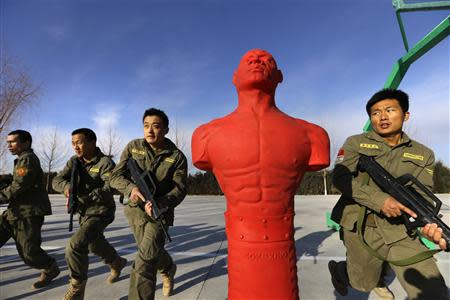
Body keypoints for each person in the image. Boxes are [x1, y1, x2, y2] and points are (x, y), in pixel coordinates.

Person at [191, 49, 330, 299]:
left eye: (266, 60)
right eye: (249, 60)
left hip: (282, 244)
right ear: (234, 77)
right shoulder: (205, 134)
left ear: (279, 76)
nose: (256, 61)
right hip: (240, 246)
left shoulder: (312, 135)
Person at [329, 88, 448, 299]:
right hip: (361, 228)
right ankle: (341, 270)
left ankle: (382, 267)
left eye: (390, 110)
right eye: (375, 113)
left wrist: (427, 228)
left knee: (434, 293)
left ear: (406, 115)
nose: (382, 116)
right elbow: (340, 178)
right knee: (362, 283)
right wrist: (379, 200)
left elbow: (423, 193)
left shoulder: (424, 154)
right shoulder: (355, 143)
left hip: (402, 231)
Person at [110, 108, 187, 300]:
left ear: (166, 130)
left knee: (144, 261)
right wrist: (130, 189)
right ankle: (168, 268)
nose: (150, 131)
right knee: (151, 252)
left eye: (156, 126)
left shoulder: (177, 157)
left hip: (159, 214)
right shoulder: (133, 147)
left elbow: (180, 189)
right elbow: (115, 176)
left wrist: (163, 202)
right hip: (135, 212)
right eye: (146, 126)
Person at [53, 128, 127, 300]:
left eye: (79, 142)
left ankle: (77, 287)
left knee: (75, 245)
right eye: (73, 143)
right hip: (84, 212)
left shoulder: (105, 163)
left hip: (101, 211)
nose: (75, 147)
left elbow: (111, 187)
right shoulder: (74, 161)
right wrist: (66, 188)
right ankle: (116, 262)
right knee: (94, 244)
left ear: (92, 142)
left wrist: (87, 197)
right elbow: (57, 180)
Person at [0, 130, 60, 289]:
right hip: (14, 212)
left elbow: (19, 185)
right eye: (8, 142)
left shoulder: (27, 159)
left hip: (28, 213)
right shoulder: (21, 160)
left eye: (12, 142)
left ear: (25, 143)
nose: (9, 145)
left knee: (29, 253)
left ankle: (50, 267)